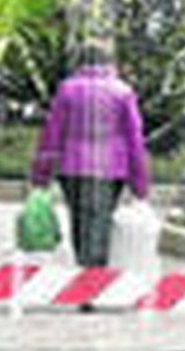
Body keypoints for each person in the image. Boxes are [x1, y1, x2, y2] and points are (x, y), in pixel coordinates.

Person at [30, 40, 152, 268]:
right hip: (112, 170)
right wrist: (140, 184)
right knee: (101, 222)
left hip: (73, 167)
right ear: (110, 61)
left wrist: (41, 175)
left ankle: (85, 271)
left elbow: (52, 134)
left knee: (80, 222)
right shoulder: (123, 92)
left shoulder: (67, 90)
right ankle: (96, 275)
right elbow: (135, 139)